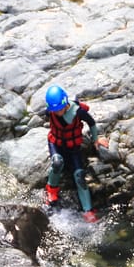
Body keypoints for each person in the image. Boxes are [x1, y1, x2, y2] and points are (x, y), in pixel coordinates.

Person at [43, 84, 108, 223]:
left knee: (79, 175)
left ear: (65, 103)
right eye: (55, 110)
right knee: (57, 162)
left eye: (60, 109)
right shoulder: (50, 112)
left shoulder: (78, 112)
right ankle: (51, 189)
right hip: (56, 143)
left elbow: (91, 122)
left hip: (73, 146)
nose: (58, 112)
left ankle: (88, 210)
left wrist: (96, 139)